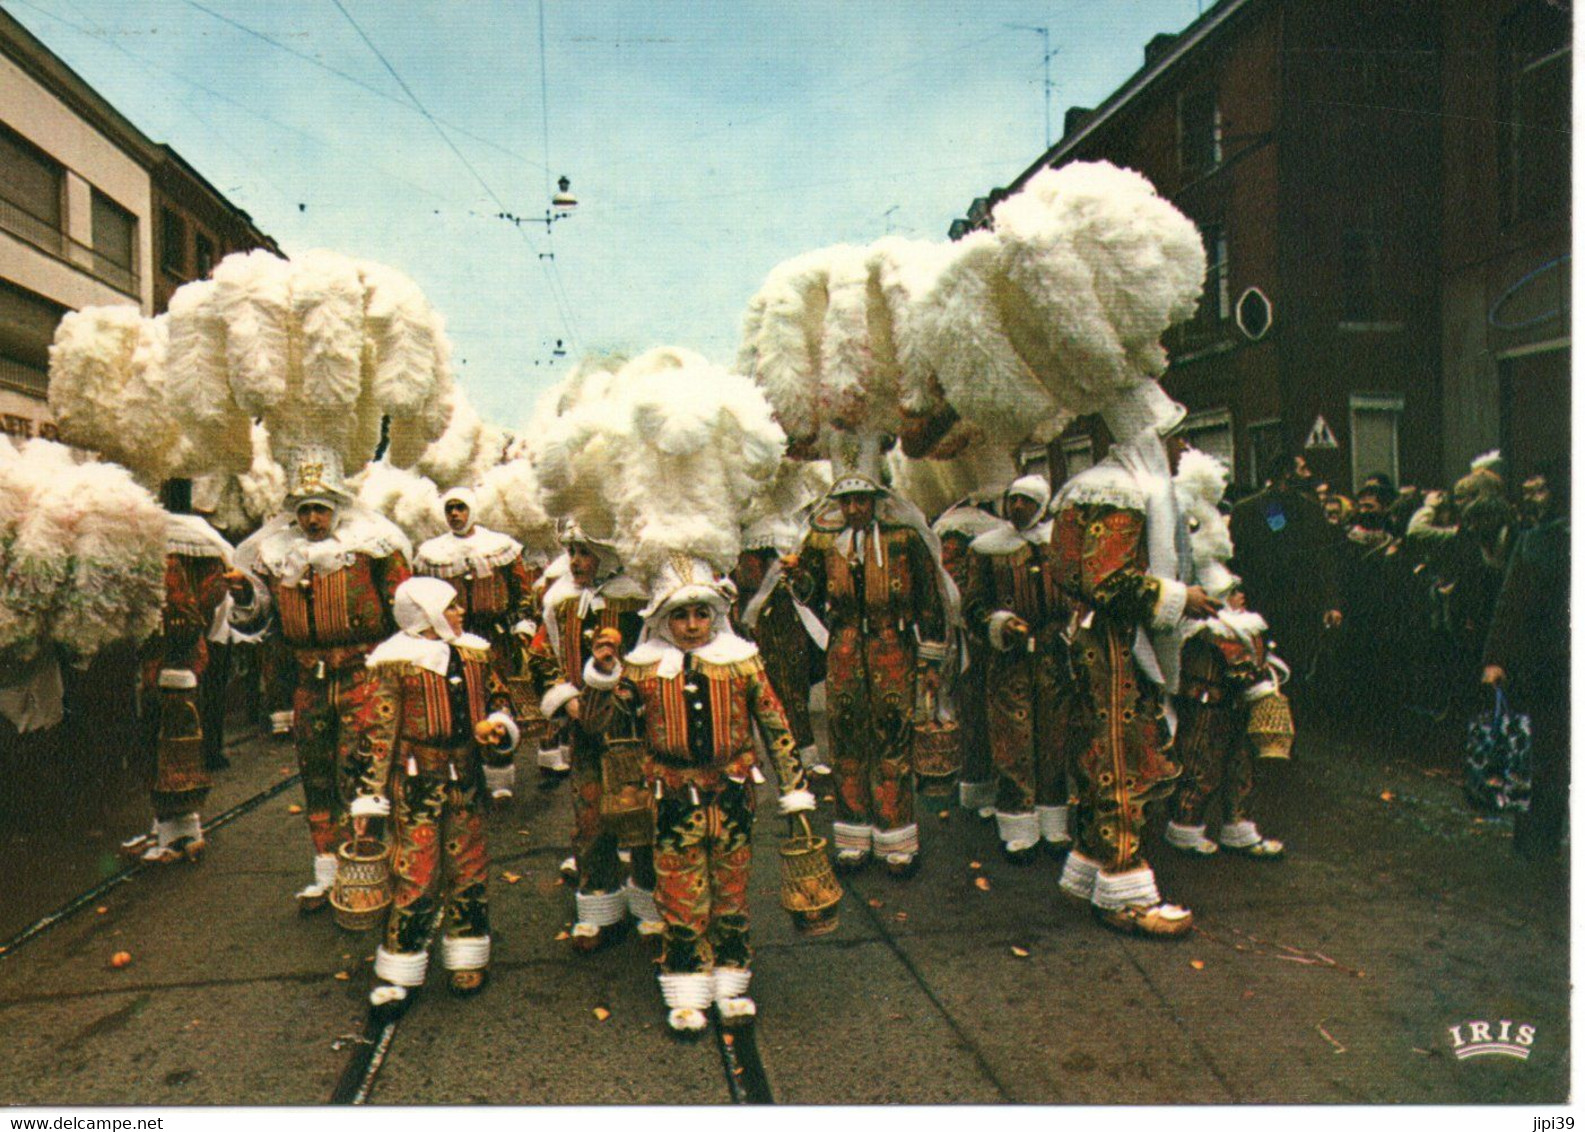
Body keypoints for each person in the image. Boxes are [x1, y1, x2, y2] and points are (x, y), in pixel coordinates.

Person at [572, 558, 813, 1035]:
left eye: (700, 615)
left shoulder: (740, 660)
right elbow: (601, 724)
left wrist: (795, 792)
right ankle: (686, 980)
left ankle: (731, 978)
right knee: (679, 889)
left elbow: (775, 725)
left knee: (731, 887)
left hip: (733, 793)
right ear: (662, 620)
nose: (691, 626)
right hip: (673, 795)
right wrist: (601, 673)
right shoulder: (641, 670)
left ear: (715, 615)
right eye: (680, 617)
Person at [1050, 383, 1221, 939]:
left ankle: (1094, 866)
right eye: (1175, 439)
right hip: (1114, 645)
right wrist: (1180, 598)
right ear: (1150, 440)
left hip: (1094, 641)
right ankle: (1123, 887)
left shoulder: (1092, 486)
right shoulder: (1119, 491)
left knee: (1099, 755)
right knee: (1122, 759)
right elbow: (1107, 580)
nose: (1181, 451)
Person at [231, 447, 411, 911]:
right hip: (308, 683)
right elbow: (259, 622)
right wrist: (243, 596)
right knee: (315, 776)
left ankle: (368, 870)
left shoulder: (373, 548)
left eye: (321, 509)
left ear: (337, 509)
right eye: (305, 510)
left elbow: (406, 609)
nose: (313, 519)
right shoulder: (277, 555)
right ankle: (327, 872)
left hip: (363, 676)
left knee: (364, 774)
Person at [786, 445, 951, 878]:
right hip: (844, 649)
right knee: (845, 740)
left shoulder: (904, 540)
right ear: (838, 505)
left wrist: (931, 660)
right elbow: (808, 592)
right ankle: (853, 835)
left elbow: (929, 600)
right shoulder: (823, 543)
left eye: (863, 500)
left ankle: (896, 836)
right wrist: (796, 576)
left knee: (894, 739)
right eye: (848, 501)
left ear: (877, 503)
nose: (856, 508)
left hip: (893, 646)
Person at [365, 577, 520, 1011]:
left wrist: (497, 726)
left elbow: (498, 698)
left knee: (469, 862)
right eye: (451, 608)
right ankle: (400, 962)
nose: (461, 614)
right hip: (417, 780)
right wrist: (371, 794)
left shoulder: (475, 653)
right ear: (426, 615)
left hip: (466, 775)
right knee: (415, 869)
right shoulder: (394, 662)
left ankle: (468, 951)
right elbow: (379, 731)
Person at [532, 523, 656, 949]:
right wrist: (564, 697)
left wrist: (631, 698)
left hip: (630, 728)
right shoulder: (559, 600)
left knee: (637, 810)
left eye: (585, 552)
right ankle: (599, 902)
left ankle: (648, 901)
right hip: (583, 726)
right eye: (571, 551)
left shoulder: (636, 597)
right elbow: (539, 653)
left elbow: (652, 654)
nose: (576, 561)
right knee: (589, 813)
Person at [1164, 448, 1287, 859]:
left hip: (1227, 630)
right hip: (1201, 649)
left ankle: (1238, 822)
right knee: (1203, 744)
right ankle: (1186, 821)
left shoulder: (1223, 544)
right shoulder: (1176, 529)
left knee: (1242, 747)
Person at [964, 475, 1075, 861]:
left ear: (1042, 504)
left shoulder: (1059, 545)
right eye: (1013, 500)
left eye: (1027, 501)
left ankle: (1053, 821)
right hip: (1009, 657)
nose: (1018, 508)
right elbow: (972, 606)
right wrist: (998, 622)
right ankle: (1018, 824)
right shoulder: (987, 549)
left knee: (1054, 737)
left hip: (1053, 653)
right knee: (1012, 738)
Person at [121, 507, 239, 864]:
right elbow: (212, 603)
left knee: (164, 749)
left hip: (170, 666)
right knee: (181, 749)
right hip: (188, 664)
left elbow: (176, 618)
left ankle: (174, 834)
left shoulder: (169, 563)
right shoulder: (208, 555)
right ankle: (177, 828)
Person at [414, 486, 539, 803]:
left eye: (461, 508)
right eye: (450, 509)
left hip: (495, 637)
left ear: (472, 510)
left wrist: (523, 623)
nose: (455, 514)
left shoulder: (500, 547)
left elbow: (521, 589)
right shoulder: (432, 553)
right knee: (461, 701)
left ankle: (500, 770)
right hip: (452, 636)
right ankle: (464, 772)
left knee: (499, 701)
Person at [1482, 457, 1568, 860]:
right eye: (1530, 491)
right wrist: (1496, 658)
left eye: (1541, 490)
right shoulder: (1533, 541)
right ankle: (1534, 839)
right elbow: (1510, 603)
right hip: (1540, 666)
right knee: (1536, 752)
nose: (1533, 499)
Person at [1228, 453, 1342, 689]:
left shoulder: (1310, 509)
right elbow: (1236, 558)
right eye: (1302, 469)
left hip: (1295, 606)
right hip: (1267, 603)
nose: (1309, 474)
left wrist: (1331, 602)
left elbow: (1323, 558)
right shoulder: (1250, 510)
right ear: (1287, 474)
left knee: (1291, 669)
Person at [732, 516, 828, 778]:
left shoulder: (792, 528)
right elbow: (745, 582)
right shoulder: (746, 539)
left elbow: (808, 587)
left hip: (789, 621)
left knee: (794, 692)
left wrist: (797, 573)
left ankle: (804, 758)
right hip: (758, 625)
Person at [932, 498, 1004, 818]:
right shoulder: (965, 527)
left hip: (977, 632)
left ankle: (978, 781)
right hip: (978, 633)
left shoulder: (948, 526)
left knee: (976, 708)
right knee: (977, 708)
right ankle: (978, 781)